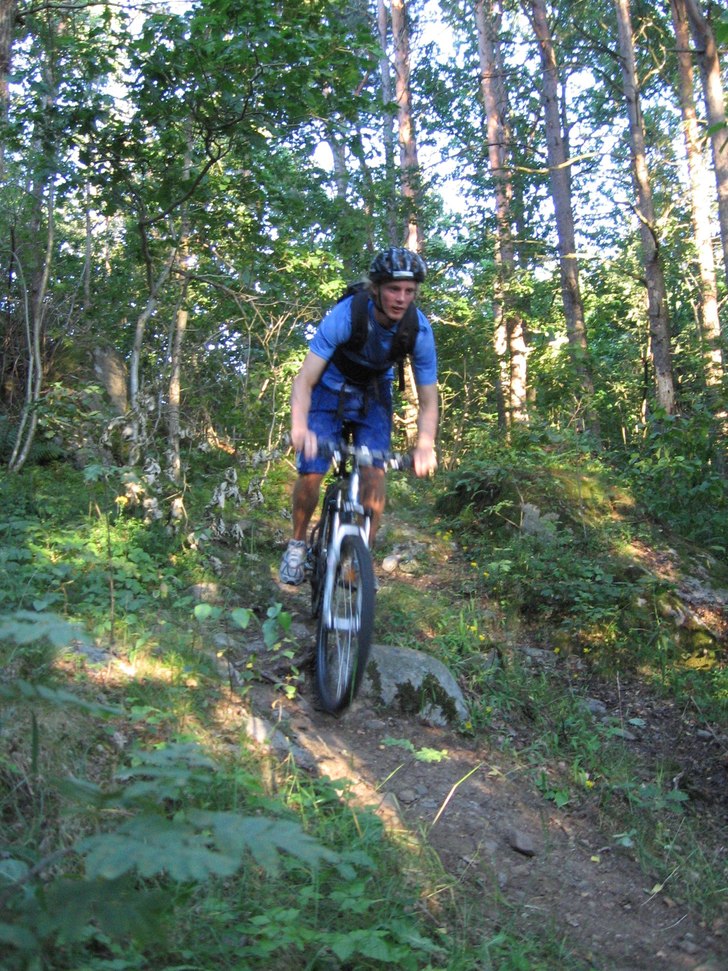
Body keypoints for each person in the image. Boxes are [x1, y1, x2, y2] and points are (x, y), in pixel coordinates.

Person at [279, 246, 439, 586]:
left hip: (374, 394)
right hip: (329, 390)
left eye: (409, 291)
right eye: (394, 289)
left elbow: (428, 400)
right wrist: (298, 427)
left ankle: (358, 557)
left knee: (374, 472)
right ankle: (296, 544)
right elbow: (305, 380)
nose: (401, 299)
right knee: (311, 469)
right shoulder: (345, 315)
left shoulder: (418, 330)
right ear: (376, 288)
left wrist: (426, 445)